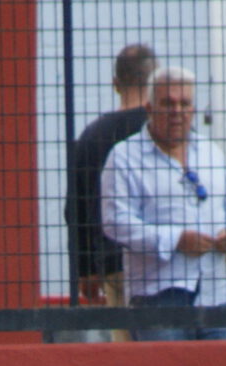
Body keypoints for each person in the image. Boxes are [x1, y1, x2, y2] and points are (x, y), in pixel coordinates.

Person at [99, 66, 226, 342]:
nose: (177, 111)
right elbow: (115, 222)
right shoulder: (124, 157)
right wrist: (175, 239)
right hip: (158, 299)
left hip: (217, 295)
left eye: (185, 103)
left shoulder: (211, 152)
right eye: (168, 103)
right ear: (149, 108)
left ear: (194, 109)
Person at [57, 42, 156, 341]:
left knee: (127, 346)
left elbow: (76, 208)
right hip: (163, 259)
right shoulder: (163, 131)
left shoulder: (93, 135)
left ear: (115, 83)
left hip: (113, 259)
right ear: (155, 81)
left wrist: (85, 268)